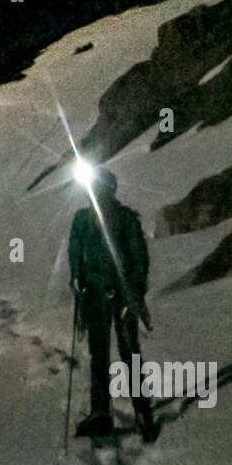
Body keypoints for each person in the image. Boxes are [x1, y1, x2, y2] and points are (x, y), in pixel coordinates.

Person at [68, 167, 157, 441]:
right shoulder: (117, 219)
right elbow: (137, 259)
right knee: (118, 353)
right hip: (109, 293)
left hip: (111, 293)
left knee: (113, 354)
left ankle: (114, 413)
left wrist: (79, 283)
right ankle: (129, 414)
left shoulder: (90, 220)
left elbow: (77, 256)